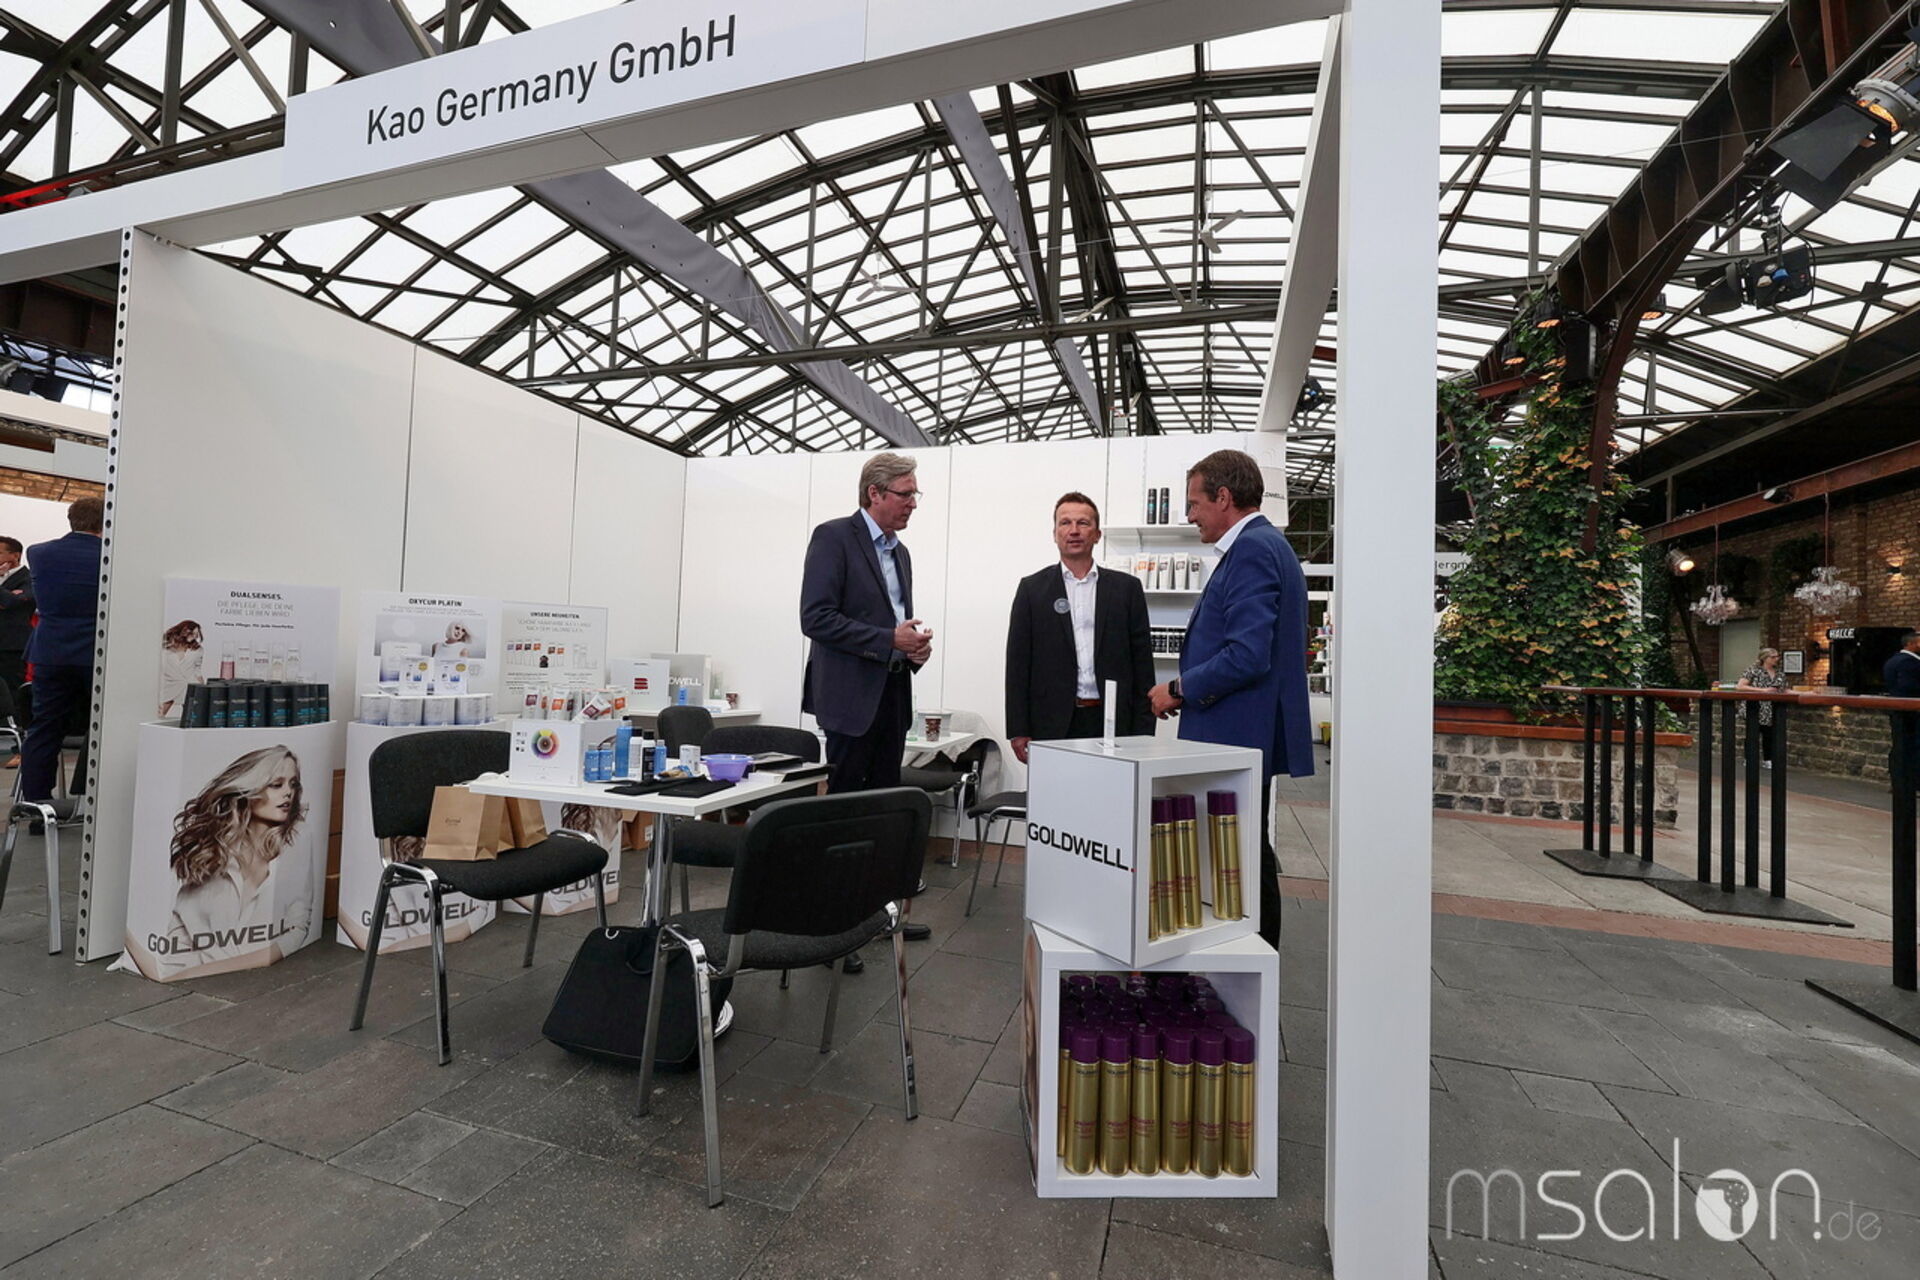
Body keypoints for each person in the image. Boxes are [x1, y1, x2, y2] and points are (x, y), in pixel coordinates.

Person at [1148, 450, 1313, 950]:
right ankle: (1254, 954)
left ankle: (1256, 956)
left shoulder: (1253, 550)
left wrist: (1178, 689)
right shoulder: (1264, 546)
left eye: (1194, 503)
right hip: (1242, 731)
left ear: (1223, 497)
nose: (1189, 515)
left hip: (1234, 735)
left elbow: (1246, 655)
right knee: (1245, 851)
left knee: (1245, 855)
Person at [800, 451, 934, 958]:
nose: (913, 503)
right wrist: (887, 640)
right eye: (906, 494)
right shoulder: (834, 537)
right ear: (874, 493)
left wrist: (912, 648)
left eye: (915, 494)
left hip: (892, 694)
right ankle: (833, 925)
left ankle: (876, 916)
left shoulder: (901, 553)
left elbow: (895, 622)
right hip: (850, 700)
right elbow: (815, 618)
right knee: (844, 813)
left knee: (883, 812)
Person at [1005, 492, 1154, 762]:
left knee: (1112, 788)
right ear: (1054, 533)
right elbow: (1017, 664)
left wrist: (1145, 728)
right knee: (1055, 789)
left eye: (1083, 523)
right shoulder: (1032, 590)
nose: (1074, 530)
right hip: (1051, 722)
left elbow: (1142, 664)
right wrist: (1018, 728)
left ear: (1097, 534)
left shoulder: (1127, 589)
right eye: (1065, 523)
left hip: (1114, 722)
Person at [159, 745, 313, 974]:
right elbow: (177, 946)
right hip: (193, 979)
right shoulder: (212, 853)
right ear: (249, 790)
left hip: (251, 977)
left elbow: (298, 928)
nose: (288, 793)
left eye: (293, 784)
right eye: (276, 784)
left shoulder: (296, 842)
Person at [21, 497, 102, 802]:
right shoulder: (110, 556)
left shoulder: (38, 553)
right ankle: (95, 801)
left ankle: (36, 804)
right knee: (105, 727)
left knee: (44, 729)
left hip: (51, 653)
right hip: (98, 653)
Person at [1736, 646, 1789, 767]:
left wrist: (1806, 693)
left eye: (1777, 656)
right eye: (1773, 657)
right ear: (1765, 658)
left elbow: (1784, 690)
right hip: (1755, 707)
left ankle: (1768, 759)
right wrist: (1762, 690)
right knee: (1752, 734)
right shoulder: (1753, 670)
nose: (1776, 659)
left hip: (1771, 708)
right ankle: (1749, 758)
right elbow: (1741, 686)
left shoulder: (1779, 673)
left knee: (1769, 734)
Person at [1883, 630, 1920, 787]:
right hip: (1911, 713)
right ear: (1911, 644)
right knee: (1912, 747)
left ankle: (1899, 783)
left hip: (1897, 711)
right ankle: (1911, 783)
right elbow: (1909, 687)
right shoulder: (1909, 663)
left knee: (1900, 746)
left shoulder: (1892, 660)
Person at [0, 535, 33, 710]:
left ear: (15, 555)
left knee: (11, 692)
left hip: (10, 646)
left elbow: (12, 602)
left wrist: (7, 598)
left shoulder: (29, 578)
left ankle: (13, 723)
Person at [158, 620, 204, 717]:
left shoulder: (197, 650)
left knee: (191, 717)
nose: (194, 637)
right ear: (184, 630)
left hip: (189, 684)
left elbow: (197, 670)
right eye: (192, 633)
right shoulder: (166, 645)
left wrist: (203, 687)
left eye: (196, 634)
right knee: (159, 715)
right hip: (170, 684)